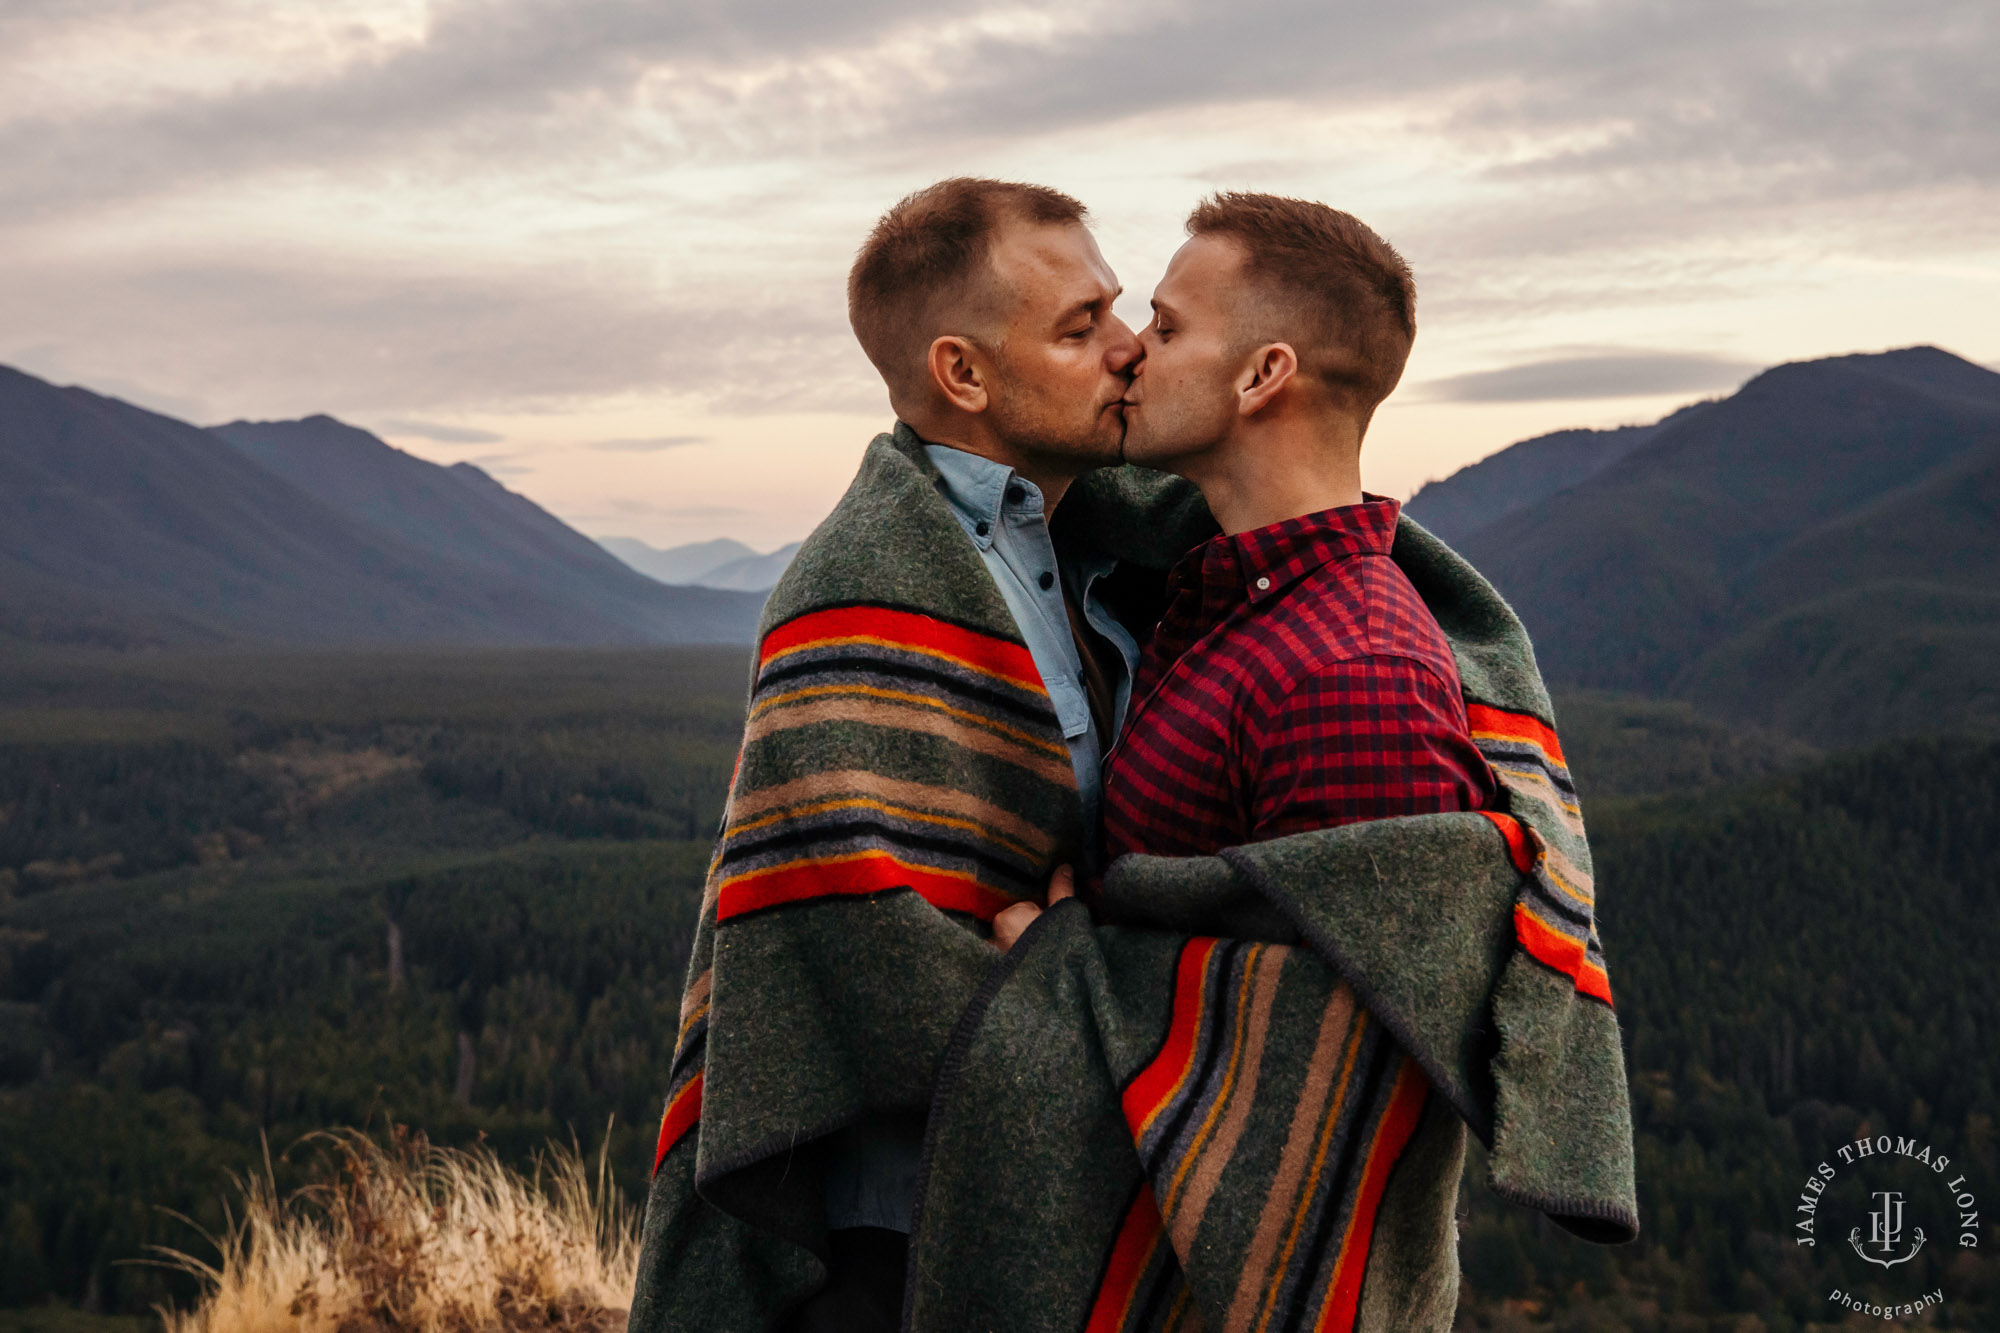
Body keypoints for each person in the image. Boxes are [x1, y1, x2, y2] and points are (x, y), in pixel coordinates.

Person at [629, 183, 1637, 1333]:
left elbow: (1331, 1043)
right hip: (894, 1230)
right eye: (1087, 326)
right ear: (964, 375)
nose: (1124, 352)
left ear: (1260, 375)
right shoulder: (903, 589)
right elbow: (850, 951)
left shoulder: (1248, 611)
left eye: (1144, 320)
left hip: (1102, 1230)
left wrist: (1061, 966)